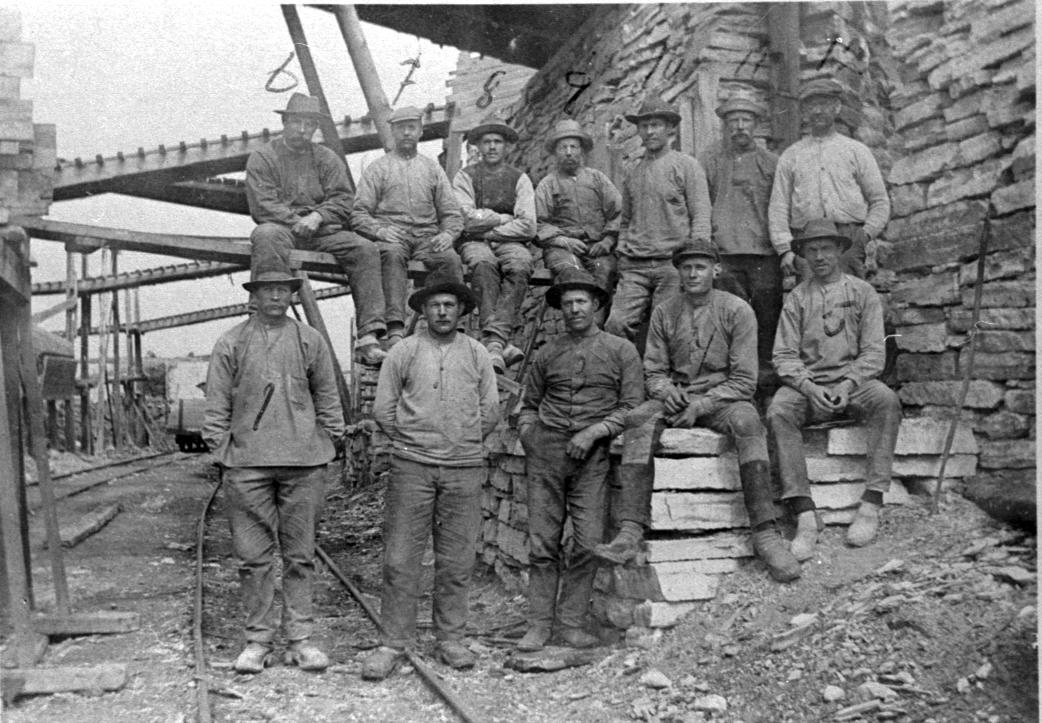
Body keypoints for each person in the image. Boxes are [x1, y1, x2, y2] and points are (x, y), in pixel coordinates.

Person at [594, 238, 800, 584]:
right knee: (638, 419)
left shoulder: (737, 310)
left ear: (715, 270)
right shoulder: (665, 312)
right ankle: (629, 530)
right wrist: (667, 392)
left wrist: (701, 405)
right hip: (677, 396)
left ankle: (765, 533)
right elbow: (654, 371)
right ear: (678, 272)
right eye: (686, 267)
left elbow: (744, 380)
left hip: (722, 399)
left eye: (700, 267)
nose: (692, 274)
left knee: (749, 421)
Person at [202, 261, 345, 674]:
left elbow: (327, 394)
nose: (277, 296)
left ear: (293, 293)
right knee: (253, 559)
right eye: (268, 289)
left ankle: (300, 640)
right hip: (248, 467)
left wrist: (328, 440)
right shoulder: (232, 342)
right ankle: (258, 641)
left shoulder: (309, 340)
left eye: (284, 289)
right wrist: (224, 450)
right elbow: (216, 404)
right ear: (255, 294)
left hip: (304, 464)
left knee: (301, 556)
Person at [363, 270, 499, 680]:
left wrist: (460, 441)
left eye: (449, 305)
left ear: (461, 311)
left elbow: (490, 411)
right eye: (435, 305)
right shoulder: (404, 351)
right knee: (400, 558)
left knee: (456, 559)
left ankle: (451, 639)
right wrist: (413, 443)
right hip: (412, 468)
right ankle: (393, 642)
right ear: (423, 310)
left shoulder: (476, 353)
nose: (442, 311)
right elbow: (383, 409)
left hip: (463, 469)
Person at [517, 268, 643, 652]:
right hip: (546, 456)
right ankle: (539, 625)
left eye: (581, 301)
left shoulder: (621, 351)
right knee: (542, 544)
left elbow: (633, 407)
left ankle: (571, 623)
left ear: (597, 305)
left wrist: (595, 432)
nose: (574, 309)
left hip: (592, 458)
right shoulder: (547, 352)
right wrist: (530, 436)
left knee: (588, 542)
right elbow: (528, 404)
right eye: (568, 303)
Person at [766, 219, 901, 557]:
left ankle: (871, 503)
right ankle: (804, 514)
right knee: (779, 409)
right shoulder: (797, 298)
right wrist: (808, 387)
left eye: (826, 248)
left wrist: (849, 382)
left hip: (853, 384)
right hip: (809, 387)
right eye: (811, 250)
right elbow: (783, 355)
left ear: (840, 250)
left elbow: (874, 352)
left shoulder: (862, 292)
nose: (819, 256)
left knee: (886, 400)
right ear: (803, 255)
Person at [246, 92, 387, 366]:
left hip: (321, 231)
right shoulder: (263, 157)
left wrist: (318, 216)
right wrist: (296, 220)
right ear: (285, 123)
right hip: (282, 229)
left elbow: (344, 199)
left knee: (365, 249)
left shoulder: (326, 158)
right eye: (297, 122)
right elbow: (263, 204)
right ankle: (262, 323)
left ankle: (369, 336)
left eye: (309, 124)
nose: (303, 129)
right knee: (265, 236)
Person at [352, 106, 465, 349]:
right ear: (392, 132)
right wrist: (379, 231)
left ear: (420, 131)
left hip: (427, 237)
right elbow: (358, 213)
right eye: (401, 128)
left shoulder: (432, 169)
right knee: (390, 255)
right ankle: (394, 327)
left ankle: (449, 325)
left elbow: (451, 213)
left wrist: (448, 234)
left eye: (411, 127)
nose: (406, 133)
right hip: (394, 235)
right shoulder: (378, 168)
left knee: (450, 259)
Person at [605, 96, 712, 345]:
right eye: (644, 126)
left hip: (671, 264)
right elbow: (626, 219)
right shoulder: (633, 171)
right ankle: (627, 370)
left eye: (656, 125)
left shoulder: (686, 166)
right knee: (616, 324)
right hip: (635, 264)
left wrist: (694, 260)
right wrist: (622, 250)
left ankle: (660, 371)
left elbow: (701, 216)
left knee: (666, 328)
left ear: (670, 128)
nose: (650, 131)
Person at [768, 77, 890, 281]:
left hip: (848, 240)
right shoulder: (791, 155)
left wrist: (864, 235)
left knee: (850, 296)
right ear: (803, 112)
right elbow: (778, 207)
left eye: (823, 104)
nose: (817, 111)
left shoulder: (856, 151)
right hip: (807, 240)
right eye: (811, 106)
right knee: (811, 298)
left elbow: (879, 201)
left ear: (837, 107)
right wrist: (785, 249)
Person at [699, 90, 782, 374]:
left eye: (746, 120)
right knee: (728, 317)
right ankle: (731, 375)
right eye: (733, 120)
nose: (740, 126)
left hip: (764, 254)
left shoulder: (771, 162)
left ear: (756, 124)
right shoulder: (711, 161)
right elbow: (701, 204)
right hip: (725, 254)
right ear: (725, 125)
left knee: (767, 316)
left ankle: (765, 378)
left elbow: (781, 205)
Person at [453, 115, 537, 373]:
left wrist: (489, 230)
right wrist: (502, 218)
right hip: (474, 242)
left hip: (507, 241)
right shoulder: (465, 177)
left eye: (497, 142)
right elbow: (466, 219)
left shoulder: (519, 179)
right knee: (483, 263)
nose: (491, 147)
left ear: (506, 146)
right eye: (486, 141)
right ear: (478, 145)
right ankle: (500, 342)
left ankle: (494, 341)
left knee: (521, 264)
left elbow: (528, 225)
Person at [534, 119, 622, 316]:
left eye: (573, 147)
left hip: (596, 247)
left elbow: (618, 212)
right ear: (555, 152)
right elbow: (538, 223)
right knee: (572, 273)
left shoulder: (597, 179)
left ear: (581, 150)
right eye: (563, 147)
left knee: (604, 270)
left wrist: (608, 241)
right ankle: (577, 324)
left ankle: (595, 325)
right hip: (562, 249)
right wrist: (563, 241)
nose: (568, 152)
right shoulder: (547, 184)